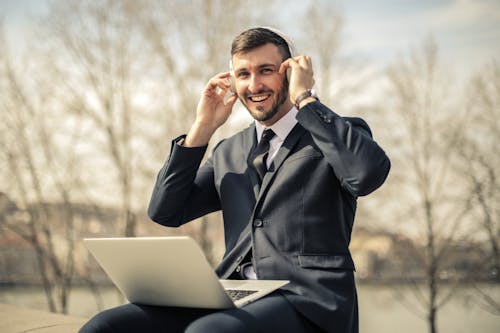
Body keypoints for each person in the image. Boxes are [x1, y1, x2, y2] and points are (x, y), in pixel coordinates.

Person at [80, 27, 390, 333]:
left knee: (210, 331)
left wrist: (306, 100)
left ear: (290, 72)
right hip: (233, 298)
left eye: (265, 70)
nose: (254, 84)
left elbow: (366, 174)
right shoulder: (229, 150)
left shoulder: (335, 132)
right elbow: (165, 210)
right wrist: (202, 128)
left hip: (310, 301)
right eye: (243, 74)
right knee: (106, 326)